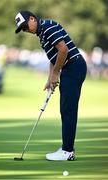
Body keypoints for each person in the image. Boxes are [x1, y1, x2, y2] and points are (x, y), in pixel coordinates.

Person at [15, 11, 87, 161]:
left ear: (32, 19)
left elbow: (63, 50)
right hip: (70, 68)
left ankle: (67, 152)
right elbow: (54, 57)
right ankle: (67, 147)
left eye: (25, 25)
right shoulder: (42, 34)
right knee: (65, 109)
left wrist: (55, 74)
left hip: (74, 67)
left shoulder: (47, 27)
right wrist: (50, 77)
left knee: (68, 110)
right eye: (22, 29)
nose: (25, 30)